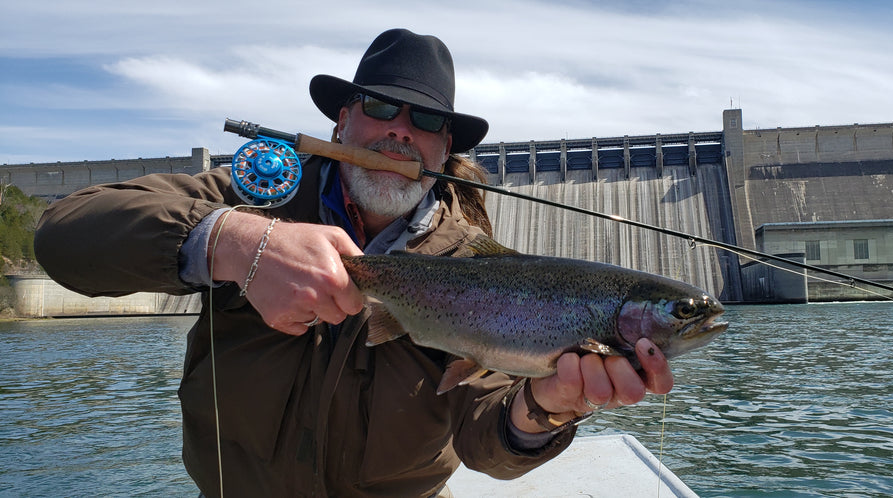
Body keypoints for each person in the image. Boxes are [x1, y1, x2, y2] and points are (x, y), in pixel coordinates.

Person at [34, 28, 673, 497]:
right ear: (343, 121)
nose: (401, 130)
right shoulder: (253, 200)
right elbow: (63, 237)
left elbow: (487, 442)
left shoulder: (474, 268)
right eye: (380, 108)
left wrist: (550, 406)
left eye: (425, 120)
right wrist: (232, 241)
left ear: (444, 147)